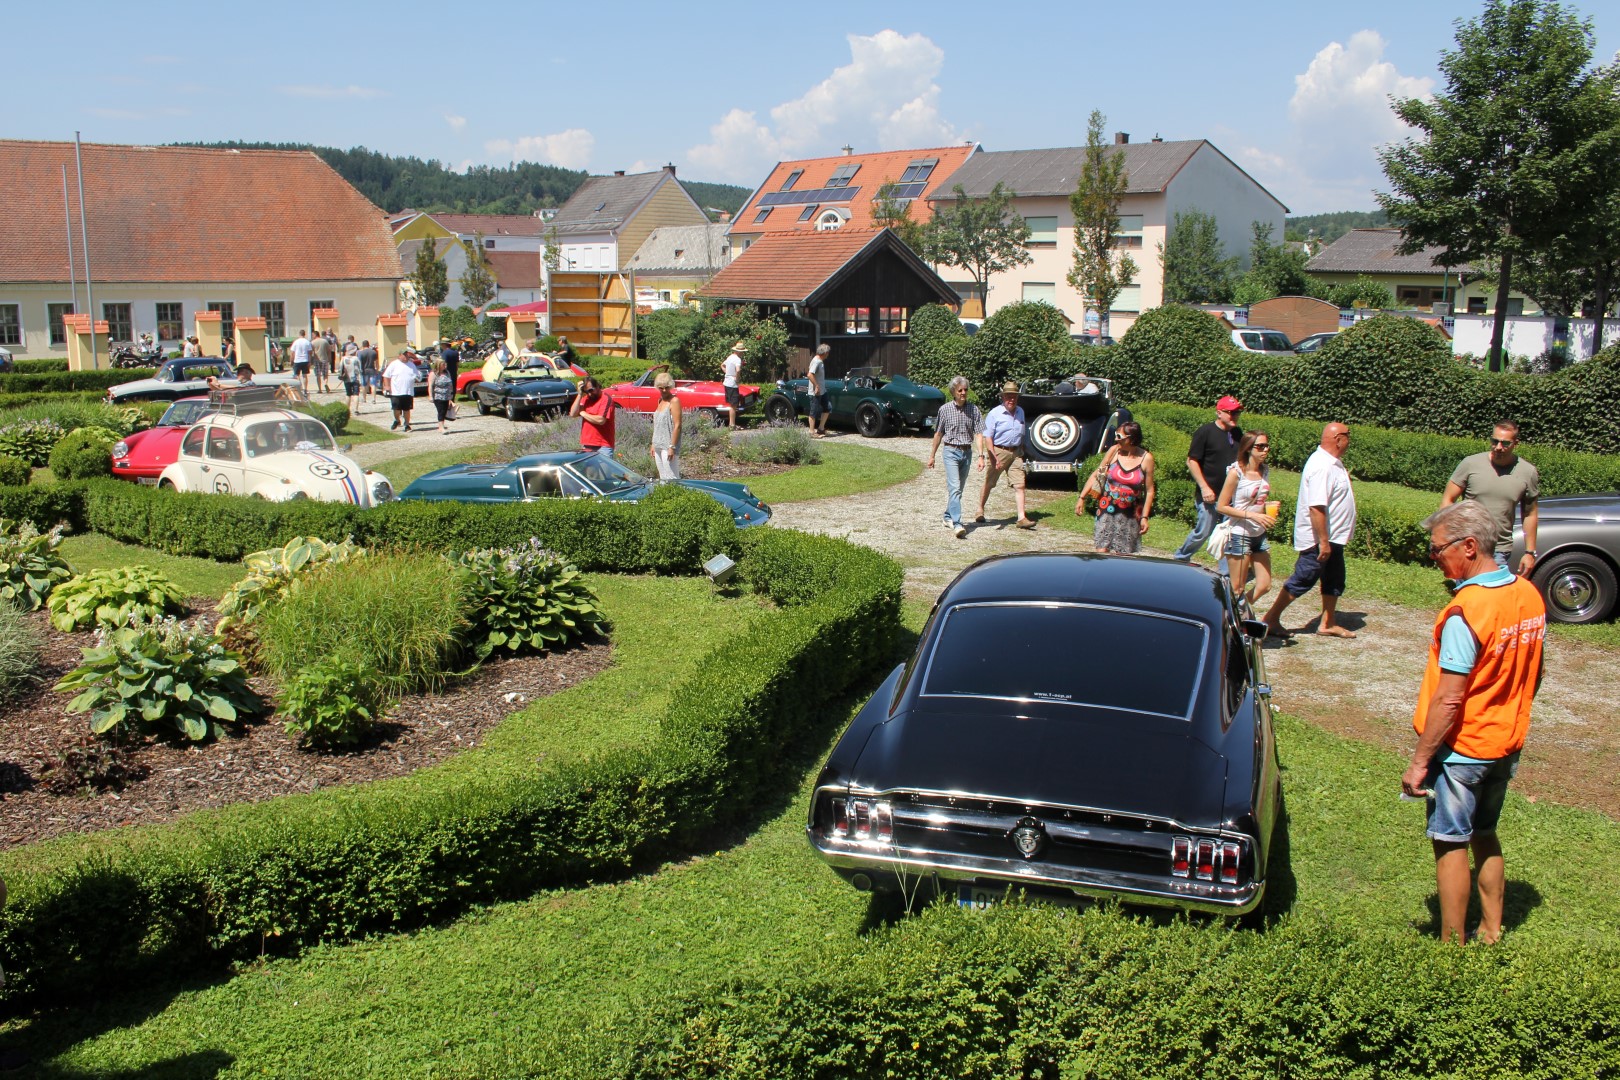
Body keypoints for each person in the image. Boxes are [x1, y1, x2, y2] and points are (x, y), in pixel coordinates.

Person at [1401, 500, 1546, 945]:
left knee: (1450, 842)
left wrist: (1420, 761)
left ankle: (1451, 943)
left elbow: (1449, 700)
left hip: (1463, 748)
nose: (1433, 558)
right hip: (1506, 742)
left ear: (1468, 546)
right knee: (1486, 834)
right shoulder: (1528, 594)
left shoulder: (1467, 611)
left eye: (1438, 549)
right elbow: (1535, 671)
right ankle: (1491, 930)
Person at [1261, 422, 1357, 639]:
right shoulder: (1322, 466)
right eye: (1348, 436)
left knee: (1334, 578)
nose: (1349, 441)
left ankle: (1327, 622)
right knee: (1305, 576)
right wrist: (1323, 541)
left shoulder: (1333, 463)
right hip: (1320, 538)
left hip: (1333, 537)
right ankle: (1271, 618)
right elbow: (1316, 507)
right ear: (1339, 439)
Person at [1440, 421, 1540, 577]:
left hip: (1499, 549)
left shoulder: (1528, 472)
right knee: (1467, 596)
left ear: (1516, 443)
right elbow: (1448, 499)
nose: (1498, 447)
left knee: (1492, 597)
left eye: (1505, 443)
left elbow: (1530, 514)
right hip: (1467, 545)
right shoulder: (1470, 464)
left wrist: (1530, 552)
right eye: (1495, 441)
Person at [1173, 395, 1245, 562]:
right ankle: (1181, 557)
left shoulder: (1237, 433)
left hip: (1230, 495)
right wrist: (1204, 487)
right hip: (1209, 493)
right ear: (1219, 413)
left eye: (1237, 413)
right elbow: (1191, 461)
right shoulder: (1206, 432)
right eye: (1231, 413)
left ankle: (1226, 574)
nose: (1234, 416)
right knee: (1204, 530)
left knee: (1229, 533)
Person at [1216, 431, 1277, 605]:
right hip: (1240, 534)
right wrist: (1253, 515)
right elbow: (1222, 506)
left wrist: (1268, 508)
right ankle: (1228, 619)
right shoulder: (1236, 472)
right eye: (1260, 446)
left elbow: (1257, 500)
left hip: (1259, 534)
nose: (1265, 450)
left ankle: (1240, 614)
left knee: (1264, 585)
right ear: (1249, 449)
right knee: (1237, 588)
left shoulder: (1264, 470)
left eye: (1267, 446)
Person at [925, 375, 984, 539]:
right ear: (953, 392)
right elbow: (938, 434)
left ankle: (947, 517)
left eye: (965, 390)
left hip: (967, 452)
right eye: (960, 390)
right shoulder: (944, 410)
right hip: (950, 451)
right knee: (955, 488)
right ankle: (958, 524)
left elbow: (979, 433)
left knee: (958, 490)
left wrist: (981, 456)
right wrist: (932, 456)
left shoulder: (974, 410)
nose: (963, 393)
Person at [1085, 420, 1154, 554]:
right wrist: (1082, 498)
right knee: (1101, 551)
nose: (1116, 440)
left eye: (1119, 437)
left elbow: (1150, 491)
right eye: (1115, 436)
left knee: (1122, 556)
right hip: (1107, 508)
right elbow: (1097, 473)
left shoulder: (1146, 458)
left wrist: (1145, 517)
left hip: (1130, 513)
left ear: (1131, 439)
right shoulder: (1114, 451)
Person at [975, 381, 1035, 529]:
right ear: (1003, 398)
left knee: (1020, 485)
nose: (1011, 400)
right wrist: (993, 456)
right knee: (990, 483)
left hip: (1015, 452)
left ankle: (1021, 517)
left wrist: (1021, 451)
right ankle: (980, 510)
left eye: (1014, 397)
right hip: (999, 451)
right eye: (1008, 396)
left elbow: (1022, 433)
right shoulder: (994, 413)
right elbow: (988, 437)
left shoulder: (1020, 411)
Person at [569, 375, 616, 454]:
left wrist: (583, 413)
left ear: (597, 386)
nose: (589, 394)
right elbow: (573, 414)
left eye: (591, 390)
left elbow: (601, 420)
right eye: (586, 391)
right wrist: (580, 394)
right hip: (587, 444)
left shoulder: (605, 399)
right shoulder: (586, 399)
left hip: (603, 445)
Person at [650, 371, 683, 478]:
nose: (664, 390)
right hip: (658, 444)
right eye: (661, 387)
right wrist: (653, 443)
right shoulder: (660, 401)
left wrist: (672, 447)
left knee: (672, 478)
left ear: (671, 386)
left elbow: (677, 425)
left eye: (667, 387)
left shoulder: (674, 401)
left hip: (668, 445)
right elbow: (657, 425)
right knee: (663, 477)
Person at [382, 351, 419, 431]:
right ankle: (397, 420)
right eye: (404, 355)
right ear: (399, 356)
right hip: (396, 391)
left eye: (407, 355)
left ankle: (407, 424)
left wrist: (416, 379)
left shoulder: (411, 365)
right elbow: (386, 376)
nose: (406, 356)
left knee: (407, 409)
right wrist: (387, 386)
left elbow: (416, 375)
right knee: (396, 409)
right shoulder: (394, 364)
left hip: (408, 391)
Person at [806, 343, 831, 438]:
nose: (828, 354)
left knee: (828, 407)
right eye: (828, 353)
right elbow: (809, 374)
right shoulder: (816, 361)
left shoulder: (820, 361)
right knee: (814, 411)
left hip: (822, 391)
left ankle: (821, 429)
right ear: (824, 353)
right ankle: (811, 432)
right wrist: (816, 386)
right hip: (815, 392)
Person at [720, 340, 746, 428]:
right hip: (732, 384)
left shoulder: (730, 357)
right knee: (733, 405)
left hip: (727, 382)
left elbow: (722, 365)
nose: (742, 353)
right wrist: (737, 378)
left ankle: (732, 423)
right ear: (738, 351)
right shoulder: (737, 359)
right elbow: (738, 370)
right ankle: (732, 424)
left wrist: (727, 373)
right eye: (742, 351)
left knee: (732, 404)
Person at [429, 357, 454, 434]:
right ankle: (441, 427)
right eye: (443, 364)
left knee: (445, 410)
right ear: (439, 365)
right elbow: (430, 385)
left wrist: (451, 393)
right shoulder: (434, 374)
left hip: (447, 395)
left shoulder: (447, 372)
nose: (445, 365)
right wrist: (430, 396)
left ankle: (441, 426)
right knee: (441, 410)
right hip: (438, 395)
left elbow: (450, 383)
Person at [337, 344, 364, 416]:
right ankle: (356, 410)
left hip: (347, 379)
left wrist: (340, 376)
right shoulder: (356, 359)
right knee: (356, 394)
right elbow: (360, 370)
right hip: (356, 378)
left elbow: (340, 369)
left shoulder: (343, 359)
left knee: (348, 394)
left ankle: (347, 409)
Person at [358, 339, 379, 409]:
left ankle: (364, 399)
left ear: (363, 346)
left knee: (364, 385)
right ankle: (373, 399)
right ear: (368, 345)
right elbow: (376, 362)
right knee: (373, 385)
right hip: (372, 370)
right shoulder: (373, 352)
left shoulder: (360, 353)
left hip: (364, 371)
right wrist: (377, 369)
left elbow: (359, 363)